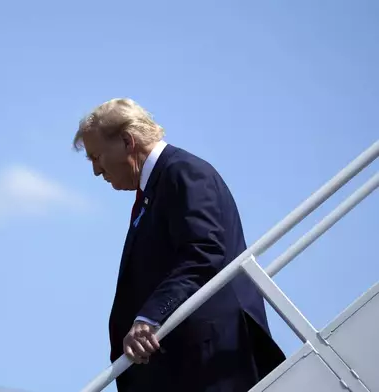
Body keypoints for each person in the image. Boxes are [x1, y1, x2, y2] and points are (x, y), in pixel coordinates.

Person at [73, 98, 286, 391]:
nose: (97, 170)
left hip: (213, 362)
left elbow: (203, 252)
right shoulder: (157, 186)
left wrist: (149, 317)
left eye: (96, 157)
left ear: (127, 141)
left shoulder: (183, 172)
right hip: (189, 365)